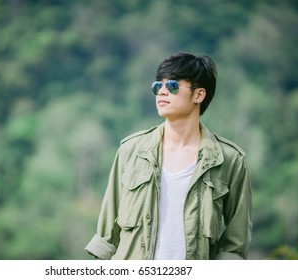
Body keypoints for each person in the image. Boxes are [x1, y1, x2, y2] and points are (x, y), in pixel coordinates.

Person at [84, 51, 252, 260]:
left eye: (172, 85)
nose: (162, 92)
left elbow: (235, 245)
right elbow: (106, 237)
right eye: (158, 86)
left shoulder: (229, 159)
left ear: (199, 95)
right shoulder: (131, 151)